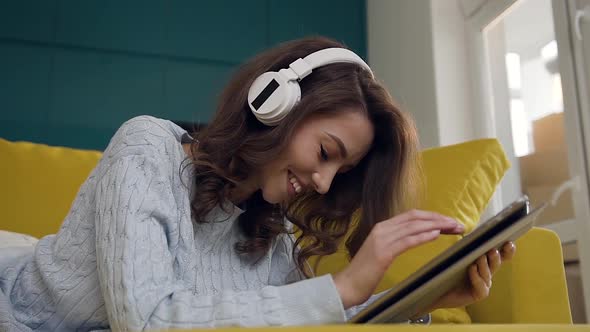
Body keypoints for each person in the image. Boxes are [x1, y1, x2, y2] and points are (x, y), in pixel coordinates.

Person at [0, 36, 515, 331]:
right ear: (276, 102)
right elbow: (146, 321)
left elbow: (314, 319)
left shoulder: (270, 234)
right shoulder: (145, 148)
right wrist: (343, 285)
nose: (323, 180)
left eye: (342, 172)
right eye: (325, 153)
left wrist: (425, 299)